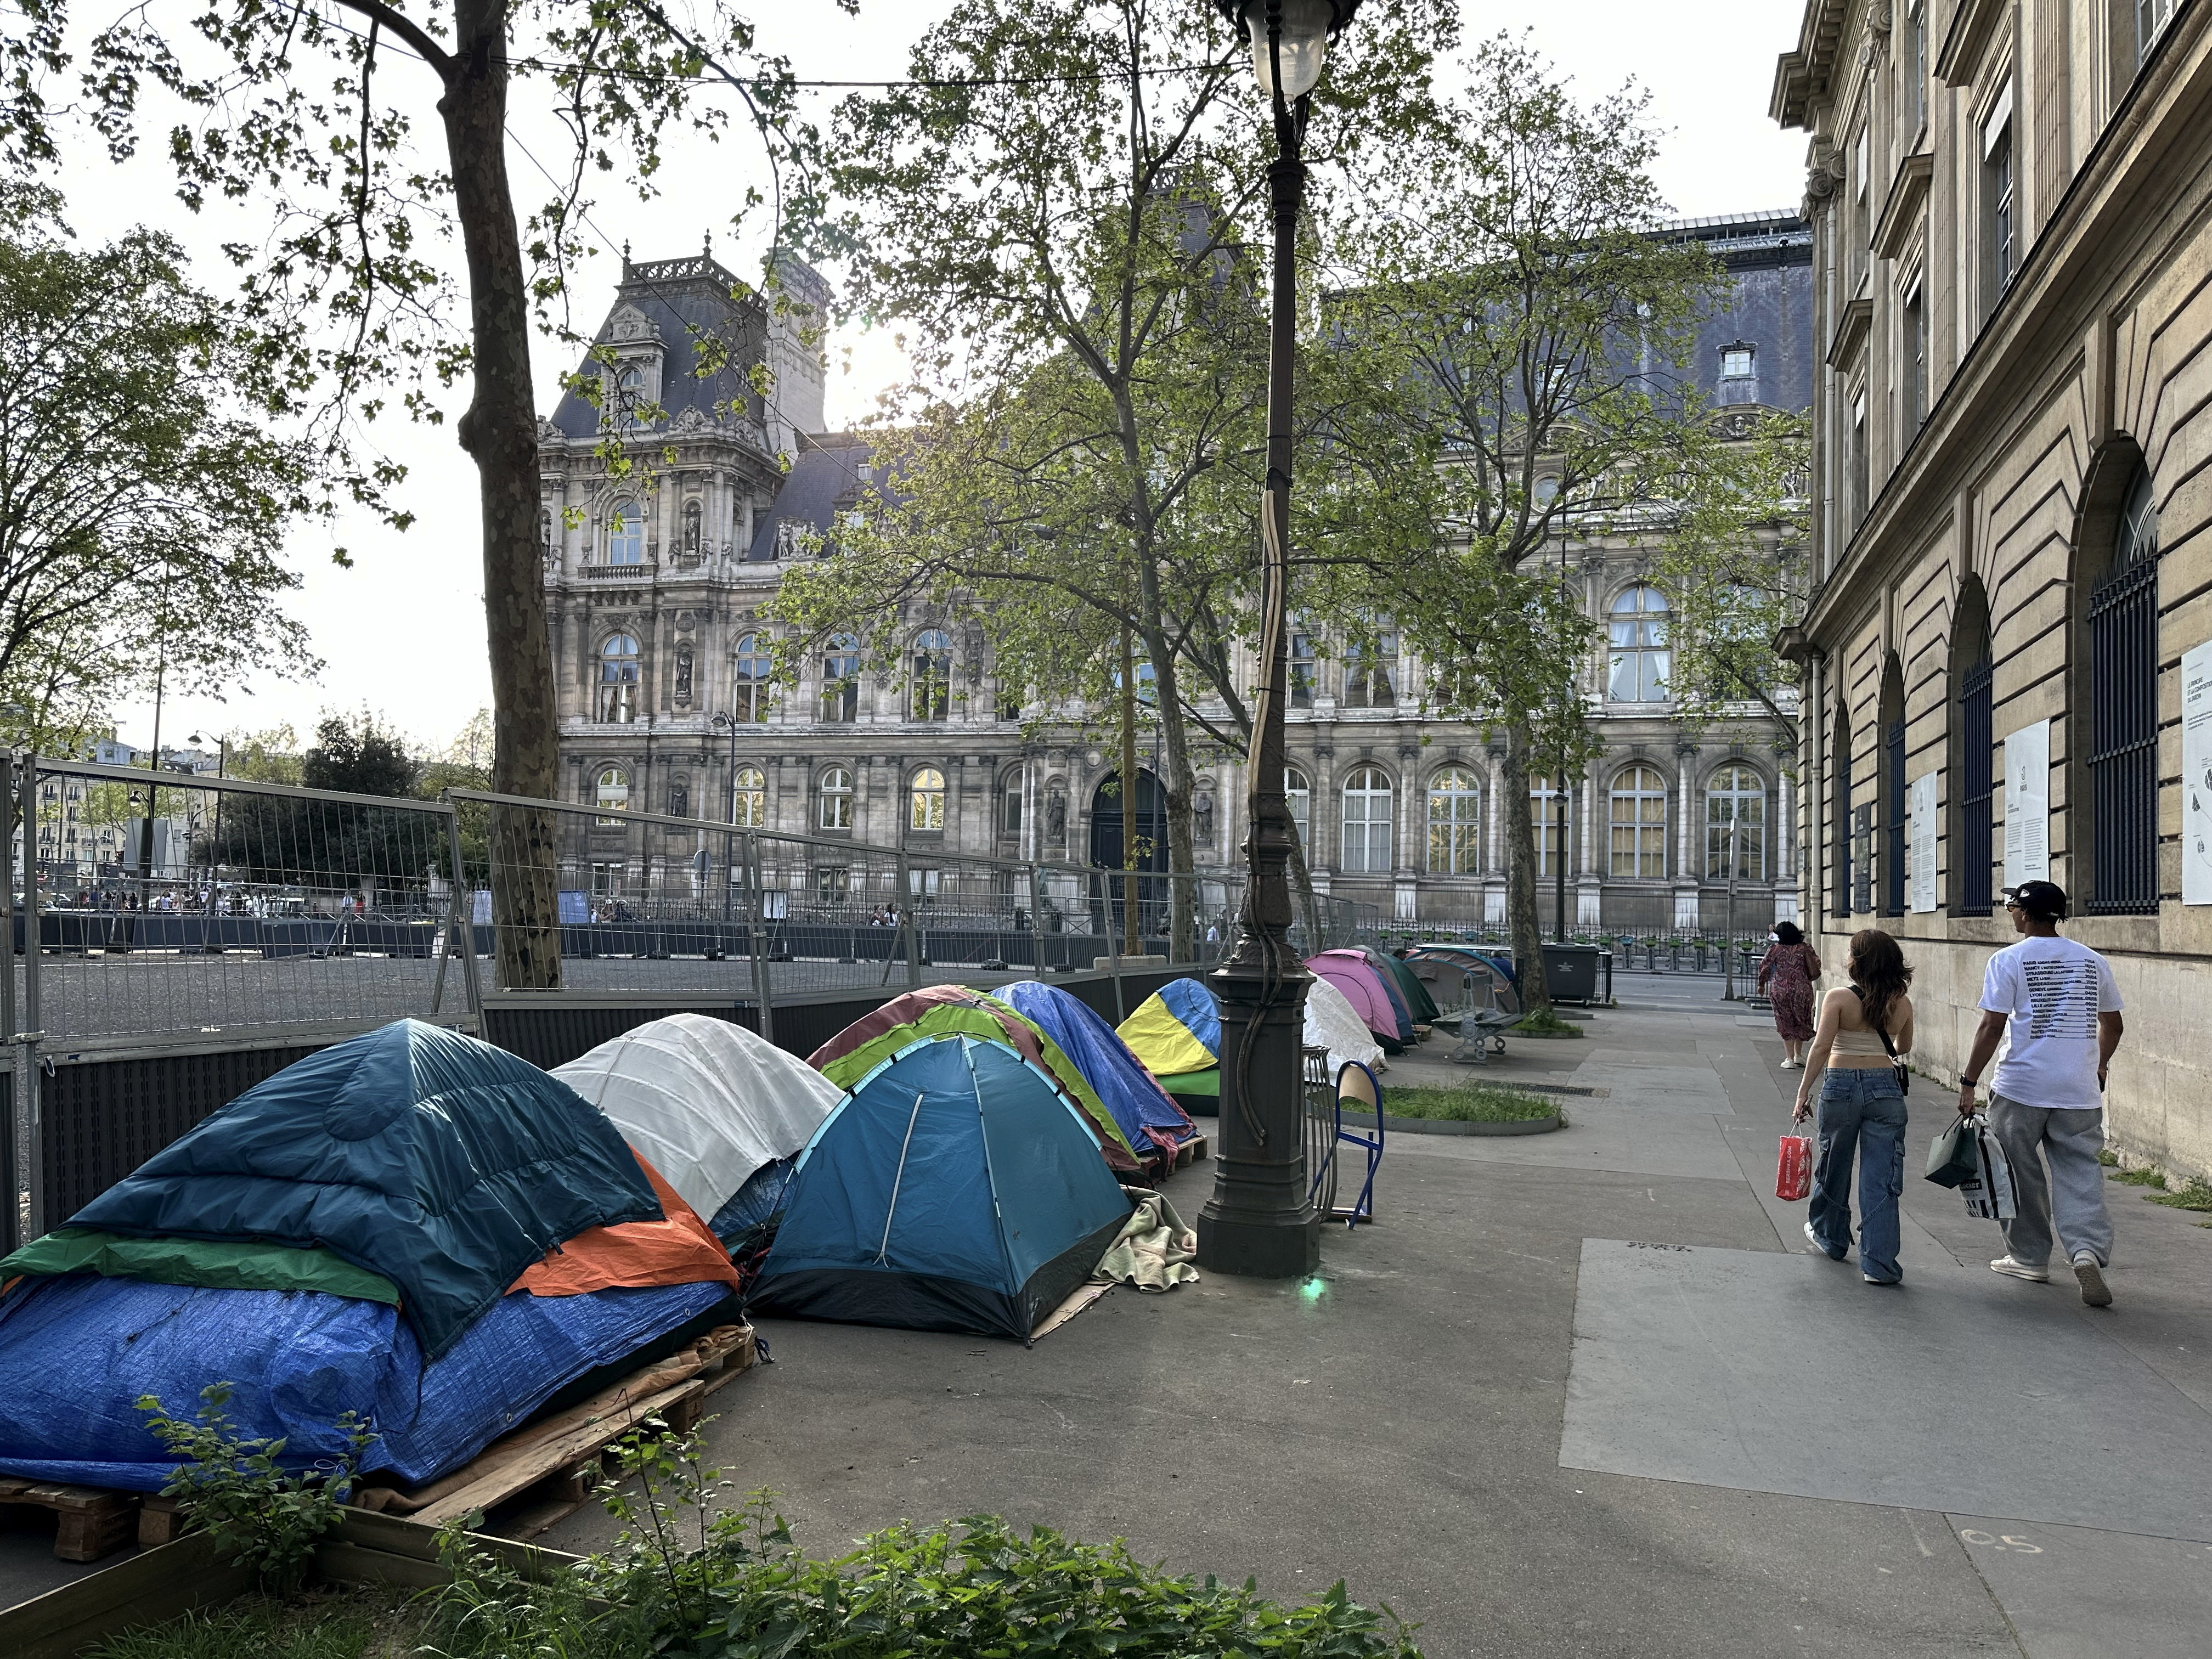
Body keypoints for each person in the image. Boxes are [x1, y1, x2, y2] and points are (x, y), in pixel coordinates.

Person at [1955, 880, 2124, 1308]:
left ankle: (2029, 1257)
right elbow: (2114, 1024)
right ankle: (2085, 1252)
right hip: (2079, 1090)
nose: (2009, 912)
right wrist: (2099, 1065)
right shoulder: (2092, 962)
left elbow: (1991, 1027)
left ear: (2025, 914)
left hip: (2022, 1087)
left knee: (2018, 1172)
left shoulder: (2008, 960)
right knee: (2079, 1172)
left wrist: (1969, 1080)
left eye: (2011, 906)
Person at [1794, 928, 1915, 1286]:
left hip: (1842, 1086)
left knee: (1835, 1164)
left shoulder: (1838, 998)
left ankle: (1831, 1238)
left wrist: (1803, 1093)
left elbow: (1820, 1048)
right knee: (1882, 1179)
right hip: (1885, 1091)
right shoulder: (1902, 1001)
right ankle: (1878, 1264)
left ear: (1858, 961)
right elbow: (1904, 1046)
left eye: (1850, 952)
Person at [1755, 920, 1822, 1068]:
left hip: (1781, 990)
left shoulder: (1775, 950)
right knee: (1801, 1020)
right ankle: (1799, 1055)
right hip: (1802, 989)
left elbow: (1765, 967)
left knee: (1785, 1021)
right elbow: (1816, 965)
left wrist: (1762, 984)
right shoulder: (1805, 948)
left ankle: (1789, 1059)